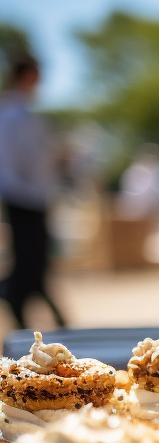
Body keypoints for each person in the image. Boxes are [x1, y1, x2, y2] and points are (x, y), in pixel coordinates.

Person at [0, 52, 66, 327]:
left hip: (33, 196)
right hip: (24, 197)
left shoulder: (22, 113)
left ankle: (51, 319)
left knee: (35, 263)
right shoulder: (12, 115)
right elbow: (14, 162)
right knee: (31, 262)